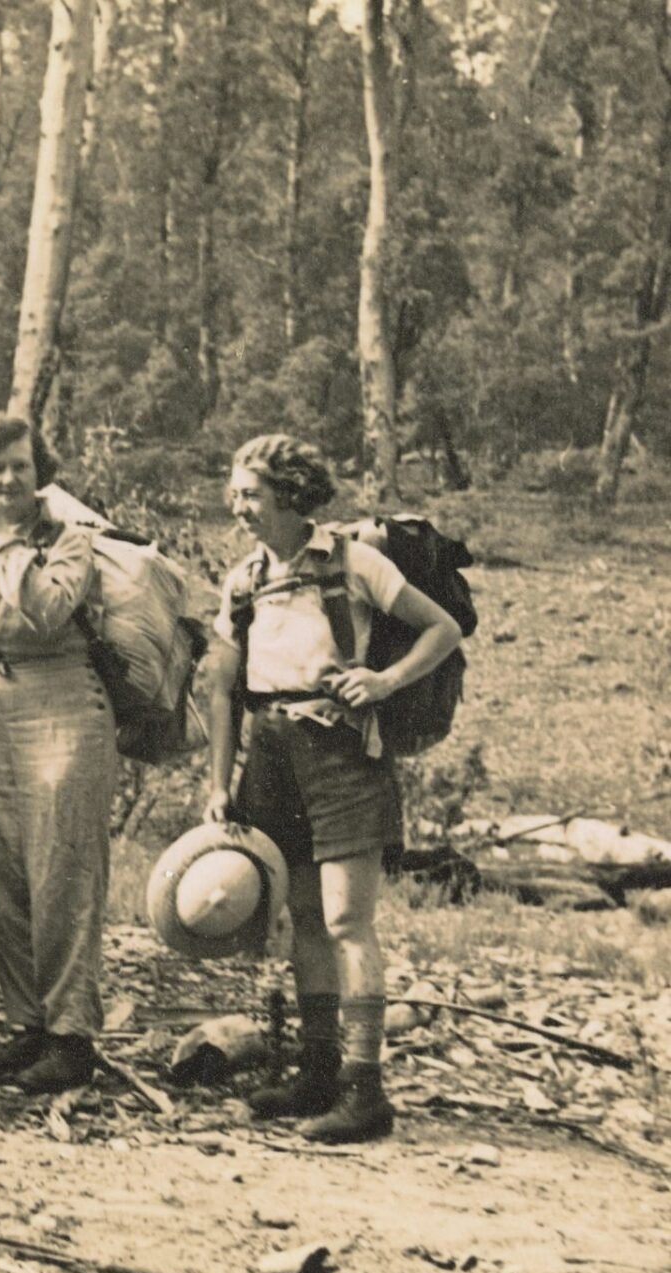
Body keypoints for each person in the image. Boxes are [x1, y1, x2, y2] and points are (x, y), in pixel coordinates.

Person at [203, 434, 462, 1143]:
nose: (238, 505)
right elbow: (220, 687)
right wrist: (219, 781)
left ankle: (364, 1088)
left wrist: (382, 681)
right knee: (306, 917)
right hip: (273, 754)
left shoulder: (354, 562)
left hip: (344, 751)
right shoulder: (243, 580)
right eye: (235, 491)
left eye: (250, 492)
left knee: (349, 919)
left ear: (290, 494)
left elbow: (443, 629)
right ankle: (316, 1070)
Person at [0, 413, 117, 1093]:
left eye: (20, 466)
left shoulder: (69, 542)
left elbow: (44, 610)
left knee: (62, 875)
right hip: (2, 719)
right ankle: (29, 1024)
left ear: (40, 473)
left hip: (68, 712)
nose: (8, 479)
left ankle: (72, 1037)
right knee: (5, 878)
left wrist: (9, 543)